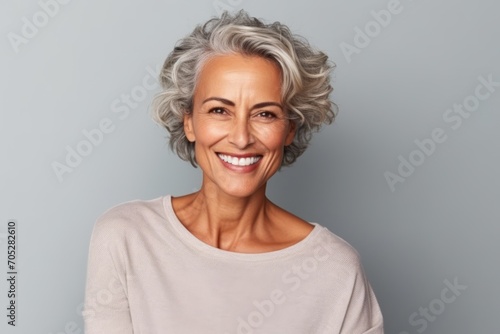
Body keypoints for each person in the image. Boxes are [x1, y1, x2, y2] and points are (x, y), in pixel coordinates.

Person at [83, 10, 384, 334]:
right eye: (219, 110)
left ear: (289, 130)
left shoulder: (335, 270)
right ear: (189, 122)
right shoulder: (126, 236)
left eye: (265, 114)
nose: (241, 138)